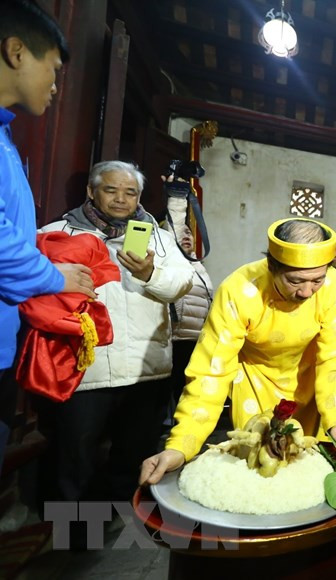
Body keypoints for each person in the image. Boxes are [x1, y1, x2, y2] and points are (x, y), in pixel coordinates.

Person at [139, 217, 336, 487]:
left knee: (308, 470)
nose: (307, 292)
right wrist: (180, 445)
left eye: (317, 280)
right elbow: (211, 370)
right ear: (272, 266)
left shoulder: (334, 287)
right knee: (261, 465)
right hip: (253, 380)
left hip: (310, 380)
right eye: (295, 281)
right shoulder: (239, 290)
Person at [38, 160, 194, 506]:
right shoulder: (55, 234)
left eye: (131, 192)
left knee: (134, 459)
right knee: (75, 463)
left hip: (145, 369)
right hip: (84, 371)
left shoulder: (159, 237)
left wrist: (151, 272)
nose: (121, 199)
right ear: (91, 192)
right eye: (111, 190)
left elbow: (182, 284)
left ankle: (121, 537)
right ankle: (75, 542)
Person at [0, 0, 96, 460]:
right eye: (53, 70)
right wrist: (59, 277)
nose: (56, 86)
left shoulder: (5, 140)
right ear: (16, 52)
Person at [167, 224, 213, 402]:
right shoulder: (169, 264)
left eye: (188, 232)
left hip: (194, 338)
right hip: (174, 338)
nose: (186, 235)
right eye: (179, 232)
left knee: (188, 391)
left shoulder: (198, 266)